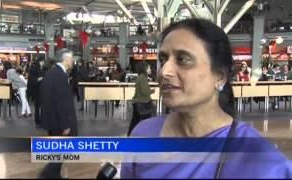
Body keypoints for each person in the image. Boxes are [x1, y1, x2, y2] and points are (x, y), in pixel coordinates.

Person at [121, 19, 292, 178]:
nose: (164, 71)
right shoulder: (143, 134)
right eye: (163, 59)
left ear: (220, 76)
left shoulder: (261, 159)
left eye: (182, 59)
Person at [39, 48, 77, 179]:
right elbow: (61, 102)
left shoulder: (52, 73)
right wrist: (66, 124)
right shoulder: (60, 75)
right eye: (72, 59)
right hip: (58, 122)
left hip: (52, 120)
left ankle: (54, 175)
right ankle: (46, 174)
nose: (73, 61)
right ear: (65, 59)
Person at [127, 62, 154, 136]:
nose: (150, 69)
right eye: (149, 68)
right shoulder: (143, 78)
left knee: (135, 120)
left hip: (138, 102)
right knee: (147, 121)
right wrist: (152, 90)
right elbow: (144, 91)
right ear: (145, 69)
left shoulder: (141, 77)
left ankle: (130, 135)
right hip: (142, 103)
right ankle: (146, 136)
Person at [27, 57, 46, 128]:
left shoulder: (42, 69)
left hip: (42, 90)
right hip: (37, 91)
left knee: (42, 107)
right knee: (37, 107)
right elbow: (33, 80)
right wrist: (43, 78)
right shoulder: (34, 69)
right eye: (42, 62)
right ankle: (38, 122)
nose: (43, 63)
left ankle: (42, 121)